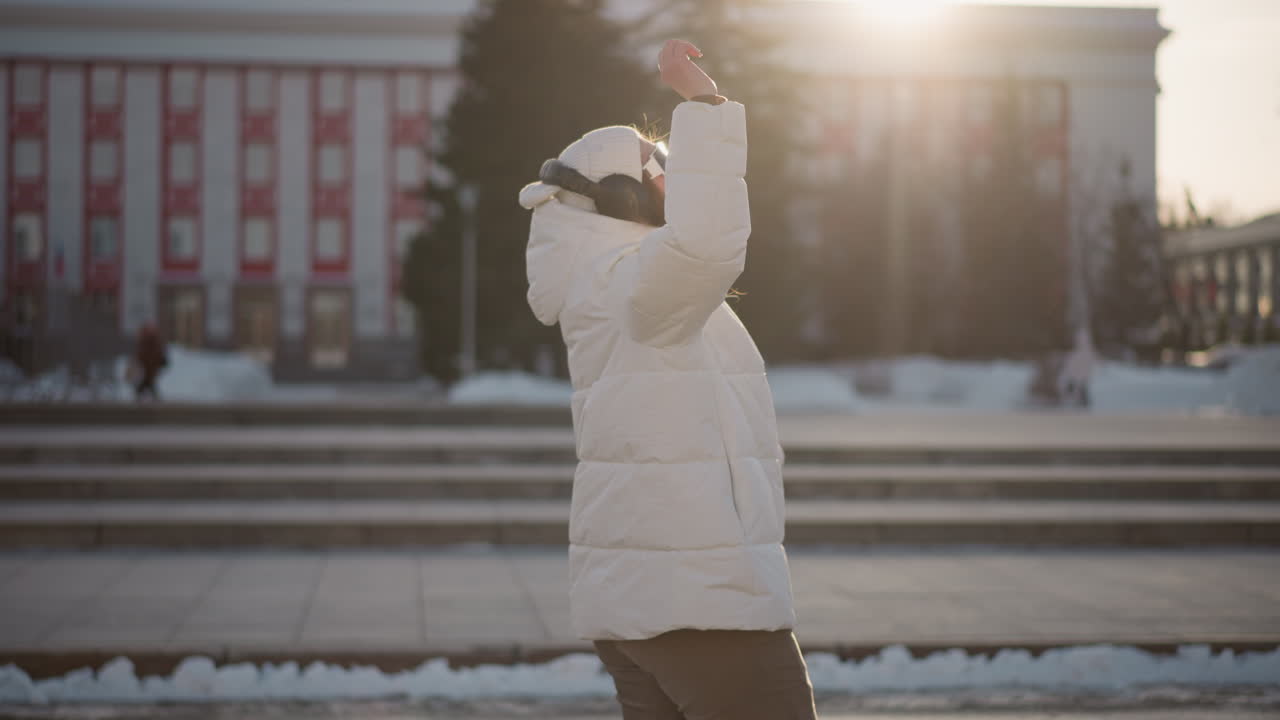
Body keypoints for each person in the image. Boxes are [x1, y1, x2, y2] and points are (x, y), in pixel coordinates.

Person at [518, 39, 817, 719]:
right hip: (697, 606)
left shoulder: (606, 286)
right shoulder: (628, 286)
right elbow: (708, 243)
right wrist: (706, 107)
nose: (672, 179)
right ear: (620, 197)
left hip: (650, 601)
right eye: (660, 170)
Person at [133, 322, 168, 401]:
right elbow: (142, 353)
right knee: (149, 380)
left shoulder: (154, 340)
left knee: (149, 380)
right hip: (148, 365)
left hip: (152, 365)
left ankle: (141, 393)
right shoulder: (145, 340)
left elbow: (159, 352)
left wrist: (162, 360)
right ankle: (150, 395)